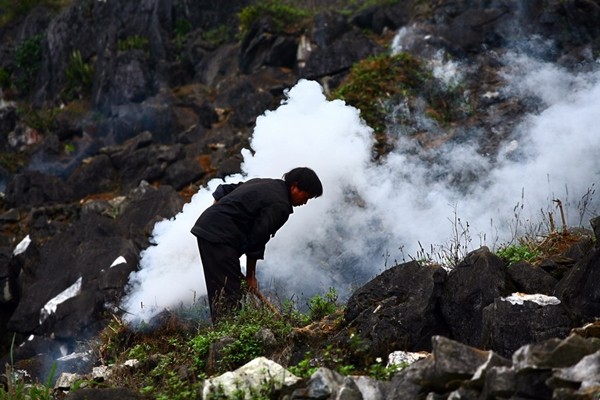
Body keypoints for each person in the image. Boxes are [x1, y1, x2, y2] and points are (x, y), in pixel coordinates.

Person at [191, 167, 323, 321]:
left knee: (222, 287)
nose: (305, 202)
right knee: (229, 294)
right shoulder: (280, 205)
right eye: (305, 196)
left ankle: (225, 334)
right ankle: (227, 339)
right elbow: (257, 239)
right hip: (219, 238)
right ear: (294, 186)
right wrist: (251, 276)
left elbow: (224, 190)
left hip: (211, 232)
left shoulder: (264, 184)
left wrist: (216, 216)